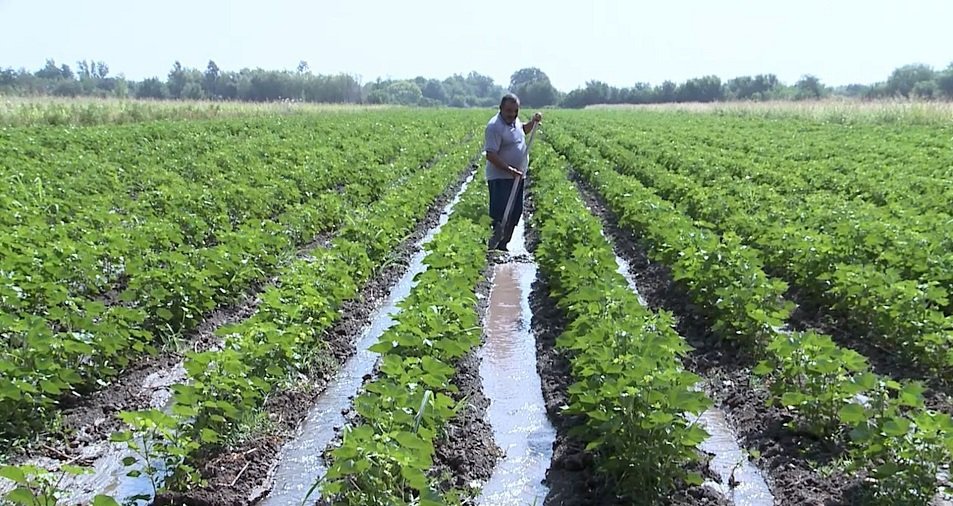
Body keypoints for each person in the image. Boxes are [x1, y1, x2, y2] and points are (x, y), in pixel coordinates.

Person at [484, 93, 542, 251]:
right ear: (501, 108)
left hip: (517, 176)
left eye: (515, 110)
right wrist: (509, 170)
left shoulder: (514, 121)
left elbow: (522, 131)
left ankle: (504, 245)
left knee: (516, 212)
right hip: (500, 177)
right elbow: (490, 154)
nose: (512, 114)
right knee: (500, 214)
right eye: (509, 110)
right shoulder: (494, 126)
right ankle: (493, 247)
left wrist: (533, 122)